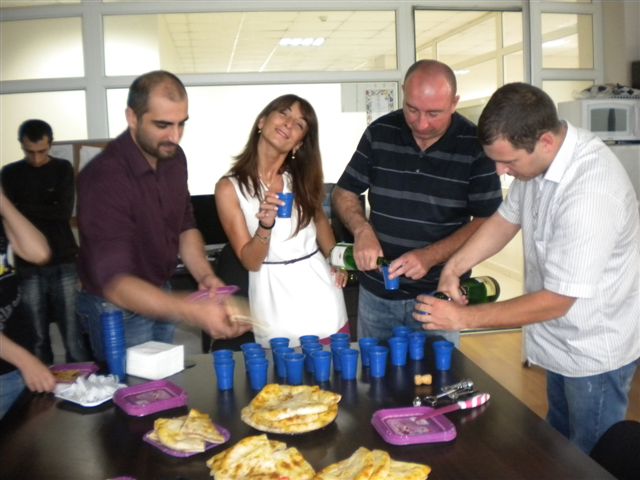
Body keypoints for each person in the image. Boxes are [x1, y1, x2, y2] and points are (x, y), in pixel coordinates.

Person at [414, 82, 640, 454]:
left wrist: (463, 319)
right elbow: (506, 219)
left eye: (509, 162)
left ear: (546, 142)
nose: (500, 171)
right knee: (559, 445)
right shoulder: (536, 165)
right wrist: (455, 265)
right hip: (559, 339)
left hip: (593, 349)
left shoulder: (590, 191)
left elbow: (557, 300)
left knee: (590, 459)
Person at [76, 70, 249, 361]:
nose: (175, 136)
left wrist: (205, 275)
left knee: (162, 380)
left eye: (182, 123)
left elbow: (185, 225)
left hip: (161, 290)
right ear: (132, 117)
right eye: (163, 125)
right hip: (117, 307)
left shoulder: (173, 157)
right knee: (132, 386)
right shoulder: (104, 178)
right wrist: (192, 309)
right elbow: (115, 283)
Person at [332, 59, 502, 343]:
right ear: (403, 93)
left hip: (440, 297)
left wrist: (431, 256)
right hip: (376, 295)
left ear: (454, 103)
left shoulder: (475, 147)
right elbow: (344, 192)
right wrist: (362, 230)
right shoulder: (380, 132)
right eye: (412, 109)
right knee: (374, 371)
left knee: (439, 371)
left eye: (434, 113)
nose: (422, 123)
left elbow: (489, 220)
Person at [215, 94, 348, 348]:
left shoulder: (300, 180)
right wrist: (265, 225)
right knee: (282, 372)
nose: (288, 123)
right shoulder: (229, 188)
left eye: (299, 124)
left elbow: (320, 221)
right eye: (284, 113)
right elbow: (251, 262)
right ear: (261, 122)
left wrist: (336, 258)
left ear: (298, 144)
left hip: (322, 294)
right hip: (272, 300)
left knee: (333, 370)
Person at [1, 119, 89, 364]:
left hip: (63, 258)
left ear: (50, 144)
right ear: (21, 145)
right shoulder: (10, 172)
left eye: (42, 151)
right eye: (29, 152)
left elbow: (63, 212)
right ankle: (41, 381)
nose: (36, 158)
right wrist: (40, 207)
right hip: (26, 264)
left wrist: (20, 208)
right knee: (36, 333)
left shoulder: (62, 168)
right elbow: (8, 216)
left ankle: (83, 381)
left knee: (72, 332)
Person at [0, 190, 56, 419]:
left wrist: (3, 203)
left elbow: (39, 252)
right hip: (17, 362)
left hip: (17, 360)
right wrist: (26, 361)